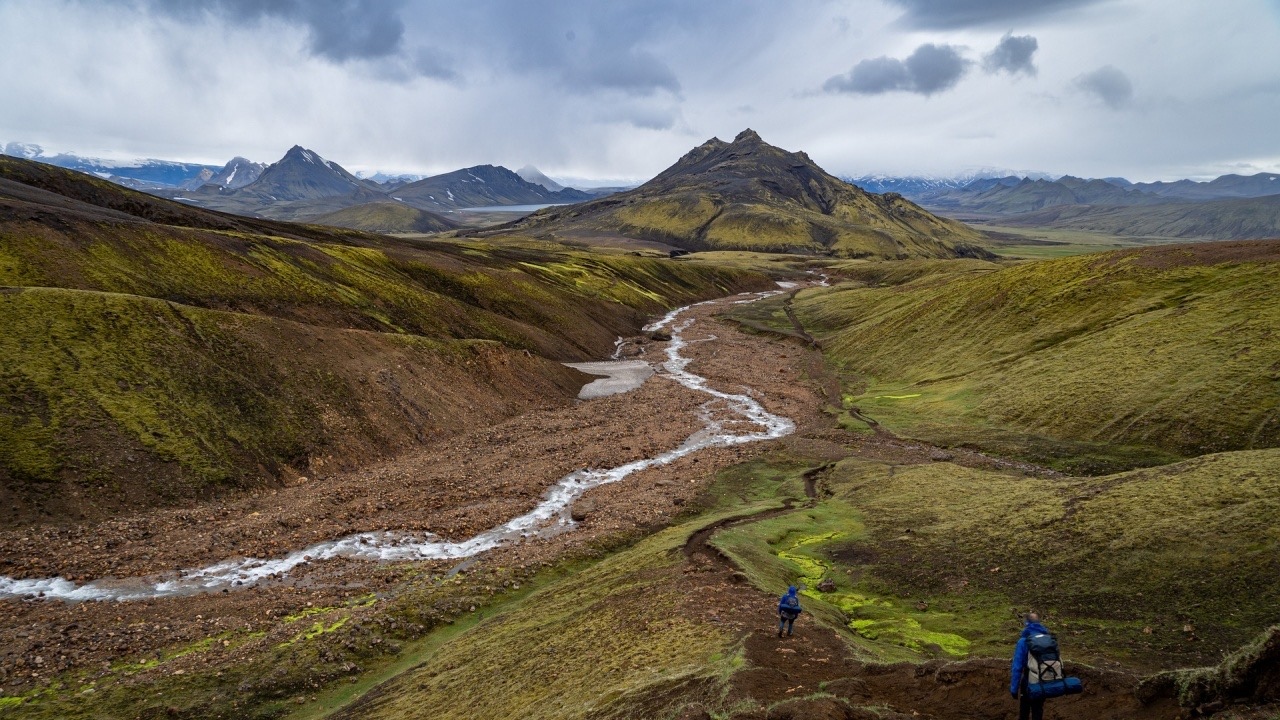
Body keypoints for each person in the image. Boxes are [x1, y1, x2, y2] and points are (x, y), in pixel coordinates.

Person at [1010, 612, 1050, 720]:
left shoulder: (1023, 641)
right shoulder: (1047, 639)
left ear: (1026, 623)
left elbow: (1017, 667)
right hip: (1044, 679)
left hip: (1029, 680)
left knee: (1024, 710)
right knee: (1038, 710)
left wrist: (1014, 689)